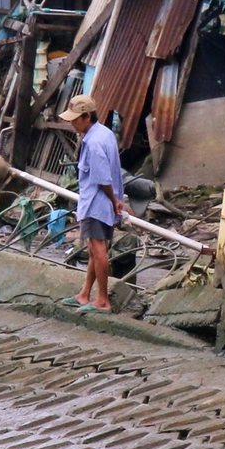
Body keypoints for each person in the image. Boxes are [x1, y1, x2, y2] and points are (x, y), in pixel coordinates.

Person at [60, 93, 126, 313]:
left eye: (74, 119)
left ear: (87, 116)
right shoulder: (104, 133)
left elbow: (102, 178)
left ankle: (103, 300)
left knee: (98, 250)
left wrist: (113, 199)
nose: (71, 123)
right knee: (93, 248)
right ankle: (85, 294)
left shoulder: (94, 142)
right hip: (102, 203)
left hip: (96, 203)